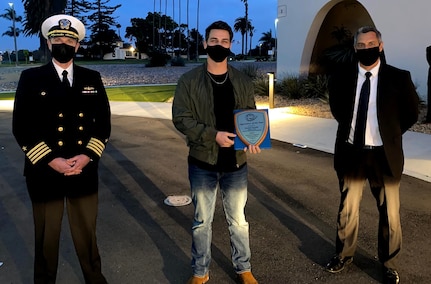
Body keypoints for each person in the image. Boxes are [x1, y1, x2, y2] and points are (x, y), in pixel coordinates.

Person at [12, 14, 111, 284]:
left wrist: (87, 156)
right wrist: (51, 160)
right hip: (44, 173)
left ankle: (94, 279)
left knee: (87, 234)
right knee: (46, 237)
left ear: (77, 45)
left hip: (83, 169)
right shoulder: (31, 78)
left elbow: (103, 124)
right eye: (57, 38)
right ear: (48, 42)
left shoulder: (93, 77)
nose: (63, 42)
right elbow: (21, 126)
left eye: (69, 39)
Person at [326, 26, 419, 284]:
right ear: (355, 48)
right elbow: (337, 110)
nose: (366, 49)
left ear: (380, 45)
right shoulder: (342, 76)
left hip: (384, 156)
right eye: (361, 45)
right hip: (352, 152)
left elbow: (411, 113)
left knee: (390, 214)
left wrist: (389, 134)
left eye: (371, 44)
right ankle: (343, 255)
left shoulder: (399, 77)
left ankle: (389, 264)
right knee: (348, 209)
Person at [172, 21, 260, 284]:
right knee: (201, 222)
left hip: (236, 163)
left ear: (230, 45)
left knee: (239, 222)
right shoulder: (188, 81)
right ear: (205, 43)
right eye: (214, 40)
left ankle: (243, 269)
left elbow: (251, 115)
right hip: (203, 162)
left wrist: (252, 139)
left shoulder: (242, 81)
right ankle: (200, 272)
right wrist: (213, 135)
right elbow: (181, 119)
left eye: (224, 41)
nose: (219, 45)